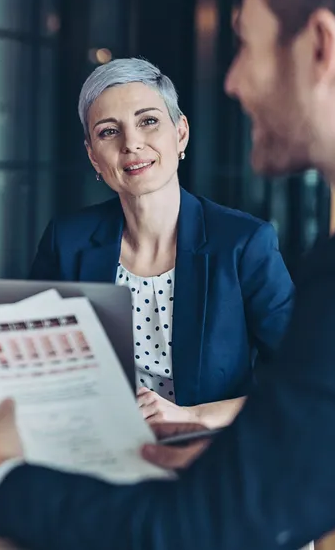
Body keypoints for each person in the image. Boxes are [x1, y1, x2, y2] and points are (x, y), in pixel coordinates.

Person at [0, 0, 335, 550]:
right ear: (93, 153)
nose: (231, 81)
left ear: (321, 48)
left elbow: (206, 526)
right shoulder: (72, 236)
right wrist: (234, 465)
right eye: (109, 132)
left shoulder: (307, 261)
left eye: (245, 44)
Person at [29, 57, 294, 429]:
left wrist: (192, 417)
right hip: (95, 443)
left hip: (206, 454)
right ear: (92, 154)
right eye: (108, 132)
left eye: (148, 121)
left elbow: (305, 380)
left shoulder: (244, 244)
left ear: (181, 133)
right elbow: (32, 369)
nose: (132, 144)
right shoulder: (66, 241)